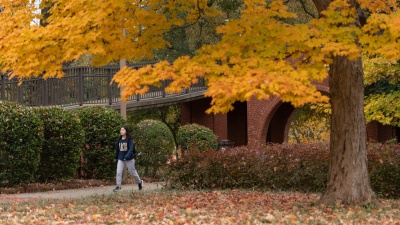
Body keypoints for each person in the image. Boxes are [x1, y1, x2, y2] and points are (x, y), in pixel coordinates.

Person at [113, 125, 143, 192]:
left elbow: (131, 149)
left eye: (123, 130)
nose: (121, 131)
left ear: (126, 131)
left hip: (129, 159)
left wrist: (127, 156)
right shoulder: (119, 139)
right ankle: (118, 186)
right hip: (121, 158)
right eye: (121, 130)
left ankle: (140, 182)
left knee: (133, 173)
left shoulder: (130, 139)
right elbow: (117, 149)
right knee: (118, 172)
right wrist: (116, 156)